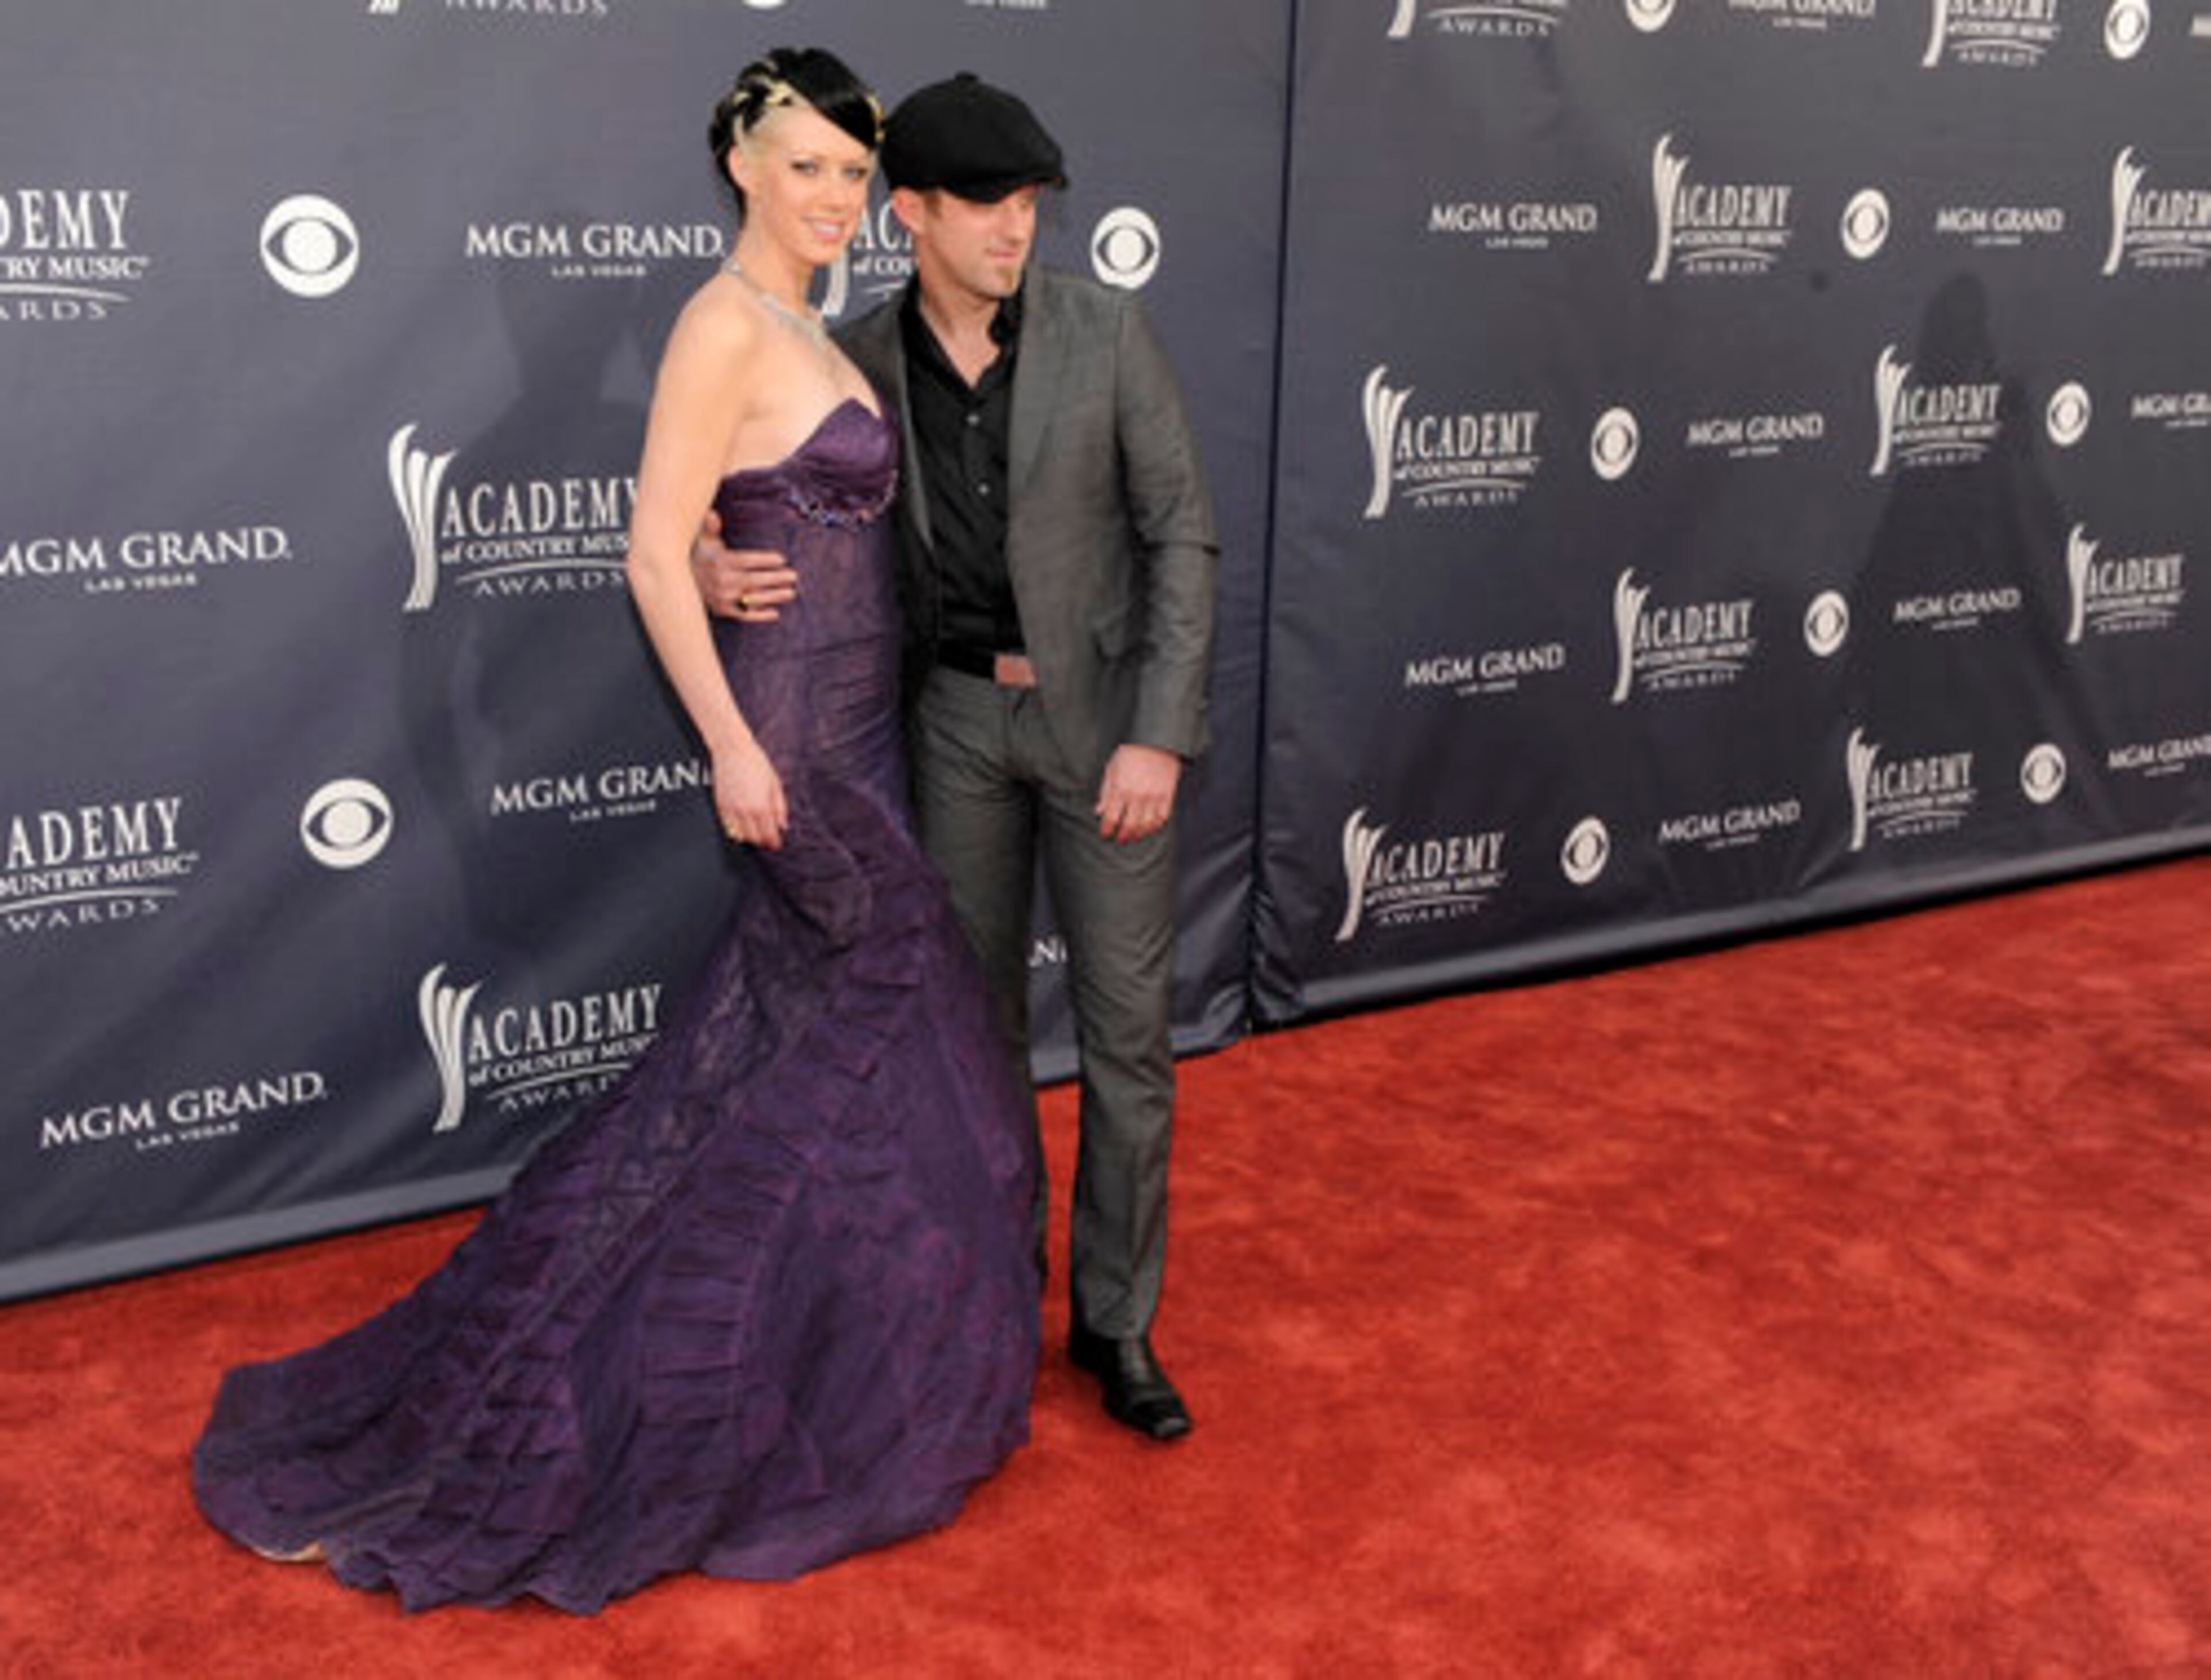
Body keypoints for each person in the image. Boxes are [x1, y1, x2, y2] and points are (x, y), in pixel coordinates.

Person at [191, 48, 1040, 1614]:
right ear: (740, 169)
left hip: (857, 727)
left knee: (787, 1047)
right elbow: (650, 549)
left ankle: (826, 1348)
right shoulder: (723, 323)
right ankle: (727, 1372)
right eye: (807, 168)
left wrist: (735, 560)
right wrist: (729, 740)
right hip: (792, 749)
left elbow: (745, 522)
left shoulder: (804, 323)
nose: (836, 197)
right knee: (888, 1013)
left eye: (854, 172)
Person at [699, 74, 1219, 1442]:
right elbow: (770, 484)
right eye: (985, 202)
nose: (1015, 227)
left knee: (1125, 1043)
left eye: (1032, 201)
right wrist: (705, 547)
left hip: (1108, 728)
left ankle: (1116, 1324)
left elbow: (1183, 539)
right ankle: (996, 1297)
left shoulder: (1111, 334)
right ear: (912, 213)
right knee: (969, 1041)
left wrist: (1160, 728)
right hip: (950, 731)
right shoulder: (853, 356)